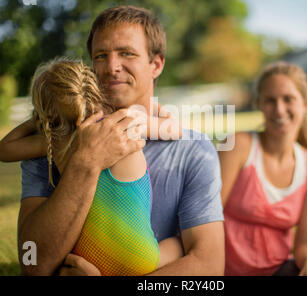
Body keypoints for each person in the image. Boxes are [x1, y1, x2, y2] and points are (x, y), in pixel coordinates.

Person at [11, 5, 224, 276]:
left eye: (127, 53)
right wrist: (85, 163)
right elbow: (32, 265)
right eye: (101, 56)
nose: (111, 67)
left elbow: (209, 268)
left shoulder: (192, 150)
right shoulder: (55, 142)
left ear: (156, 64)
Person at [0, 58, 184, 275]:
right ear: (96, 92)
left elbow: (5, 149)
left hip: (87, 258)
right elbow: (174, 129)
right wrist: (158, 110)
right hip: (140, 256)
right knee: (179, 244)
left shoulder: (53, 142)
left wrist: (41, 119)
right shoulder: (123, 122)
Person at [219, 62, 307, 276]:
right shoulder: (237, 146)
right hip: (223, 271)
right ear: (258, 104)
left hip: (278, 270)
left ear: (306, 103)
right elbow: (205, 218)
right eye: (270, 100)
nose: (279, 109)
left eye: (288, 99)